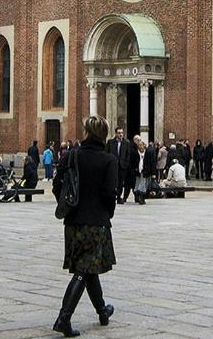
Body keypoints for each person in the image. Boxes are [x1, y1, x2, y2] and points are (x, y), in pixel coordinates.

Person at [50, 115, 119, 337]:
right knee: (84, 269)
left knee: (88, 268)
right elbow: (110, 193)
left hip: (73, 221)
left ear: (87, 132)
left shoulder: (72, 155)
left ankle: (102, 311)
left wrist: (68, 205)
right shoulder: (108, 160)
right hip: (96, 221)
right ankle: (64, 318)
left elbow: (57, 184)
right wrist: (107, 213)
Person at [108, 128, 136, 204]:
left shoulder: (126, 143)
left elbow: (128, 154)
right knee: (112, 181)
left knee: (120, 182)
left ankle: (118, 197)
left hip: (122, 166)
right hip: (113, 165)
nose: (121, 134)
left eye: (122, 133)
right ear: (116, 133)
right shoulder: (110, 142)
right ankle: (112, 196)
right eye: (119, 133)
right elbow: (107, 153)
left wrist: (126, 164)